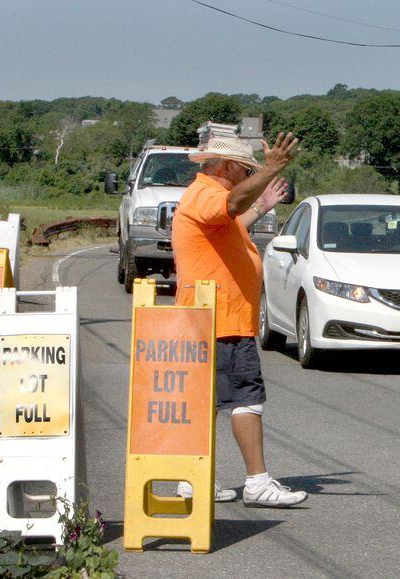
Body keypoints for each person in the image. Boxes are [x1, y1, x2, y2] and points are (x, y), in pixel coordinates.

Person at [171, 130, 307, 507]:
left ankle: (194, 480)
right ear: (228, 166)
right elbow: (231, 205)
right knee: (247, 397)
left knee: (207, 402)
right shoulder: (208, 195)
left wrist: (261, 205)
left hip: (212, 318)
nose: (248, 176)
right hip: (222, 319)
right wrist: (271, 168)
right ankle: (257, 481)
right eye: (245, 169)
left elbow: (232, 222)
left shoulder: (203, 197)